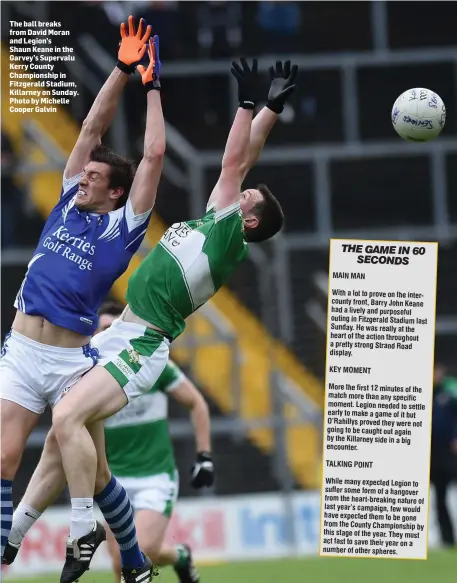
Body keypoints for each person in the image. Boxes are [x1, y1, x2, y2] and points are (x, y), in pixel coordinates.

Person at [7, 57, 297, 581]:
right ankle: (17, 539)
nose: (241, 188)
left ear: (248, 219)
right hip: (120, 333)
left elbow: (235, 161)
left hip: (144, 342)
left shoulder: (230, 235)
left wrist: (247, 104)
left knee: (68, 419)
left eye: (248, 197)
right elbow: (246, 158)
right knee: (61, 436)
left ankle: (80, 537)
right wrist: (273, 107)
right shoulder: (216, 220)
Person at [0, 16, 165, 583]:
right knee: (4, 456)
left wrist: (152, 88)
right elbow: (93, 127)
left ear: (115, 191)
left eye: (95, 177)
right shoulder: (69, 201)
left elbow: (152, 161)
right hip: (22, 347)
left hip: (72, 359)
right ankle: (124, 563)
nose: (84, 176)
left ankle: (123, 555)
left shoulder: (124, 228)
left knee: (96, 476)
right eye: (86, 173)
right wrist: (120, 71)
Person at [4, 300, 213, 583]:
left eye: (111, 327)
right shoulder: (87, 376)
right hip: (115, 479)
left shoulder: (150, 363)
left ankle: (178, 556)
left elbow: (196, 403)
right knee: (121, 562)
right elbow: (60, 442)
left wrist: (204, 455)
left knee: (146, 548)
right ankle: (177, 555)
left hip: (155, 477)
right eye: (101, 329)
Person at [430, 363, 457, 547]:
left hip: (448, 453)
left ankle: (449, 537)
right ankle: (445, 538)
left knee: (447, 493)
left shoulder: (448, 396)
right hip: (430, 454)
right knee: (438, 497)